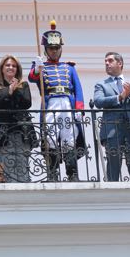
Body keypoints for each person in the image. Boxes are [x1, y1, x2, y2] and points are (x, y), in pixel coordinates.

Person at [28, 21, 86, 181]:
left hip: (67, 103)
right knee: (50, 137)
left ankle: (72, 174)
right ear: (46, 50)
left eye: (57, 48)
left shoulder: (69, 67)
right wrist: (37, 68)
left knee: (69, 137)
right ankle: (52, 174)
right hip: (51, 104)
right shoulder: (41, 66)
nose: (54, 51)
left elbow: (78, 89)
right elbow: (32, 78)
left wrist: (79, 108)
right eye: (51, 48)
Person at [93, 52, 130, 182]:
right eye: (105, 61)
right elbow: (98, 102)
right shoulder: (101, 84)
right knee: (113, 168)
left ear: (120, 63)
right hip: (112, 131)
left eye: (110, 60)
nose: (107, 63)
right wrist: (120, 97)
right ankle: (111, 194)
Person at [0, 55, 35, 184]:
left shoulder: (23, 85)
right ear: (2, 68)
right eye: (8, 65)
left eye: (14, 66)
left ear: (17, 69)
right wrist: (8, 91)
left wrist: (16, 90)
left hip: (22, 130)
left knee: (22, 164)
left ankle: (24, 189)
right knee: (9, 165)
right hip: (4, 131)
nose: (11, 67)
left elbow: (27, 103)